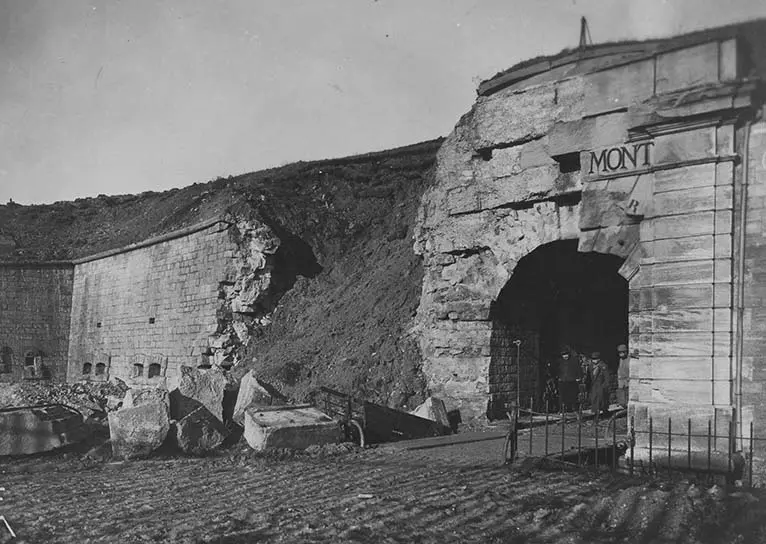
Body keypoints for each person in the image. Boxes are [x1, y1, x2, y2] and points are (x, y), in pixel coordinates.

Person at [556, 345, 581, 413]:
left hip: (572, 381)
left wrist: (578, 377)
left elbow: (578, 369)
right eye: (563, 355)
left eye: (566, 354)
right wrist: (558, 377)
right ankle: (562, 410)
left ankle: (573, 409)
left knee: (572, 395)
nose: (565, 356)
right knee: (562, 396)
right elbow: (556, 370)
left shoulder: (574, 360)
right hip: (562, 381)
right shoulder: (560, 361)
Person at [589, 351, 611, 417]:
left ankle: (604, 411)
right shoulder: (591, 366)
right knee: (594, 398)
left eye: (596, 359)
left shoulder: (603, 366)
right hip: (594, 385)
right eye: (593, 359)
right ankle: (595, 412)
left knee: (602, 399)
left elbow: (607, 377)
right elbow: (590, 376)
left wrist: (605, 385)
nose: (594, 360)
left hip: (601, 384)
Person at [616, 343, 630, 408]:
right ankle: (622, 404)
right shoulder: (621, 359)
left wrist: (629, 377)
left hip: (627, 379)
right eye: (619, 352)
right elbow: (620, 368)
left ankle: (627, 405)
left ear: (625, 352)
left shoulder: (629, 359)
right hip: (621, 379)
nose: (620, 354)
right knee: (621, 392)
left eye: (622, 352)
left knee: (627, 392)